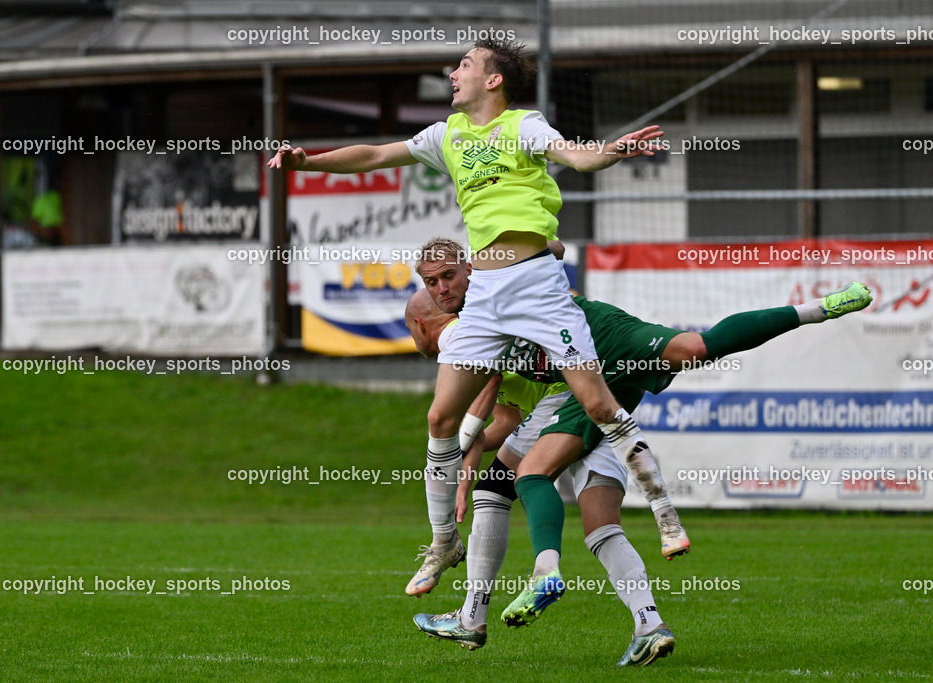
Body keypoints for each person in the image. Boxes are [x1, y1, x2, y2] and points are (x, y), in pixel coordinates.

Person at [269, 38, 683, 598]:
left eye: (465, 64)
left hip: (536, 285)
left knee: (598, 404)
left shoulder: (523, 125)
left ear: (493, 80)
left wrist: (609, 152)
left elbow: (573, 154)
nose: (453, 72)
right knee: (441, 418)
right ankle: (444, 542)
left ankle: (662, 508)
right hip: (486, 292)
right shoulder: (446, 135)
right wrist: (307, 161)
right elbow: (372, 155)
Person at [406, 240, 874, 629]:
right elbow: (490, 400)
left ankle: (819, 309)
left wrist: (519, 253)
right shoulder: (474, 328)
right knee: (540, 487)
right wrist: (467, 458)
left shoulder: (466, 317)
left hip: (594, 343)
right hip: (575, 388)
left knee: (691, 348)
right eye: (432, 282)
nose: (443, 287)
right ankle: (643, 606)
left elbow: (552, 247)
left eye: (449, 276)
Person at [405, 289, 676, 666]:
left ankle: (478, 613)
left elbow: (482, 396)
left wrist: (460, 475)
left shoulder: (465, 338)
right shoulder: (491, 326)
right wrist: (469, 453)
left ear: (419, 324)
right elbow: (507, 421)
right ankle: (650, 626)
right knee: (601, 526)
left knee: (493, 492)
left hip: (566, 404)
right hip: (585, 408)